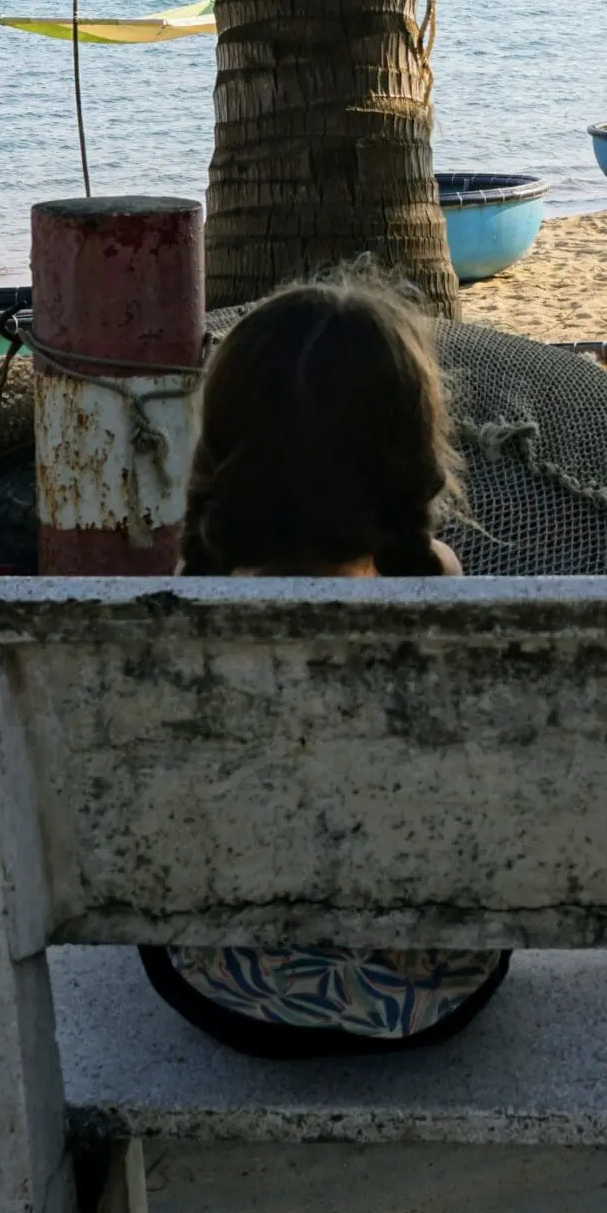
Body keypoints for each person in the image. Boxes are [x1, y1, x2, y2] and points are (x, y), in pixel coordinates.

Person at [139, 276, 510, 1055]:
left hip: (220, 989)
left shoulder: (188, 607)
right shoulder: (432, 584)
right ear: (408, 451)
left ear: (221, 445)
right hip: (432, 990)